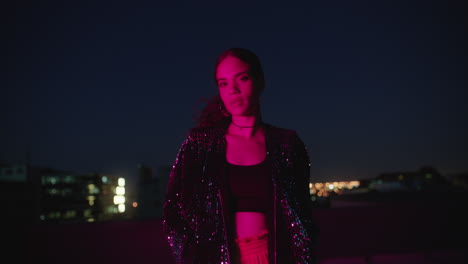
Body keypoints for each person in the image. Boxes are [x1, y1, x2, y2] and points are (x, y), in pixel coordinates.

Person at [162, 47, 319, 264]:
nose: (232, 90)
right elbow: (174, 213)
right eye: (223, 83)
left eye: (242, 78)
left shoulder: (287, 144)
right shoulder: (200, 145)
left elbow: (301, 214)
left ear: (260, 81)